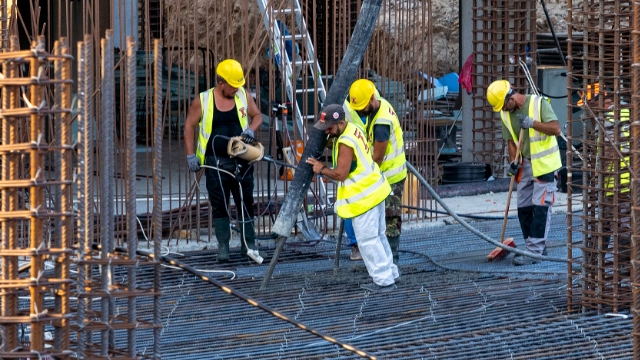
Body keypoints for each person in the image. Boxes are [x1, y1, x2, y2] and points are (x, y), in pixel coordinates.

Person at [306, 103, 399, 292]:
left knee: (367, 241)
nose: (327, 132)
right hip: (376, 190)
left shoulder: (345, 142)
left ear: (340, 123)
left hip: (364, 198)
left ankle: (383, 281)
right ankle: (391, 273)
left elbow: (341, 174)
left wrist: (321, 169)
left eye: (329, 128)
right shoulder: (353, 128)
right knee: (379, 236)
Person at [183, 59, 263, 262]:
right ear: (221, 83)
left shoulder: (243, 95)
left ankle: (249, 245)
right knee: (219, 204)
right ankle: (223, 246)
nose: (237, 89)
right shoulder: (203, 100)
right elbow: (189, 126)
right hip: (215, 163)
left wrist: (250, 130)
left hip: (241, 161)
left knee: (245, 202)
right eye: (233, 86)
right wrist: (191, 154)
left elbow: (257, 116)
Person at [486, 80, 562, 266]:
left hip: (544, 165)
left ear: (510, 97)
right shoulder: (505, 114)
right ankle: (533, 246)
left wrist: (533, 123)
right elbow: (511, 142)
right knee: (524, 208)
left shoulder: (538, 104)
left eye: (504, 105)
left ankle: (535, 252)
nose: (503, 109)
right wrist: (514, 162)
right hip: (526, 165)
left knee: (541, 207)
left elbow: (556, 128)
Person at [348, 79, 407, 265]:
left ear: (372, 99)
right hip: (383, 176)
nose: (359, 111)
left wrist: (356, 170)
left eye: (363, 107)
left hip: (390, 178)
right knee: (383, 221)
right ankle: (385, 264)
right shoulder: (378, 105)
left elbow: (377, 157)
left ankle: (392, 264)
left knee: (390, 221)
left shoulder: (381, 122)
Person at [591, 93, 631, 276]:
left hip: (617, 183)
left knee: (616, 226)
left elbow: (607, 152)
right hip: (633, 181)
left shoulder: (608, 119)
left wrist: (600, 179)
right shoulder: (631, 114)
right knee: (626, 224)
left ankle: (621, 267)